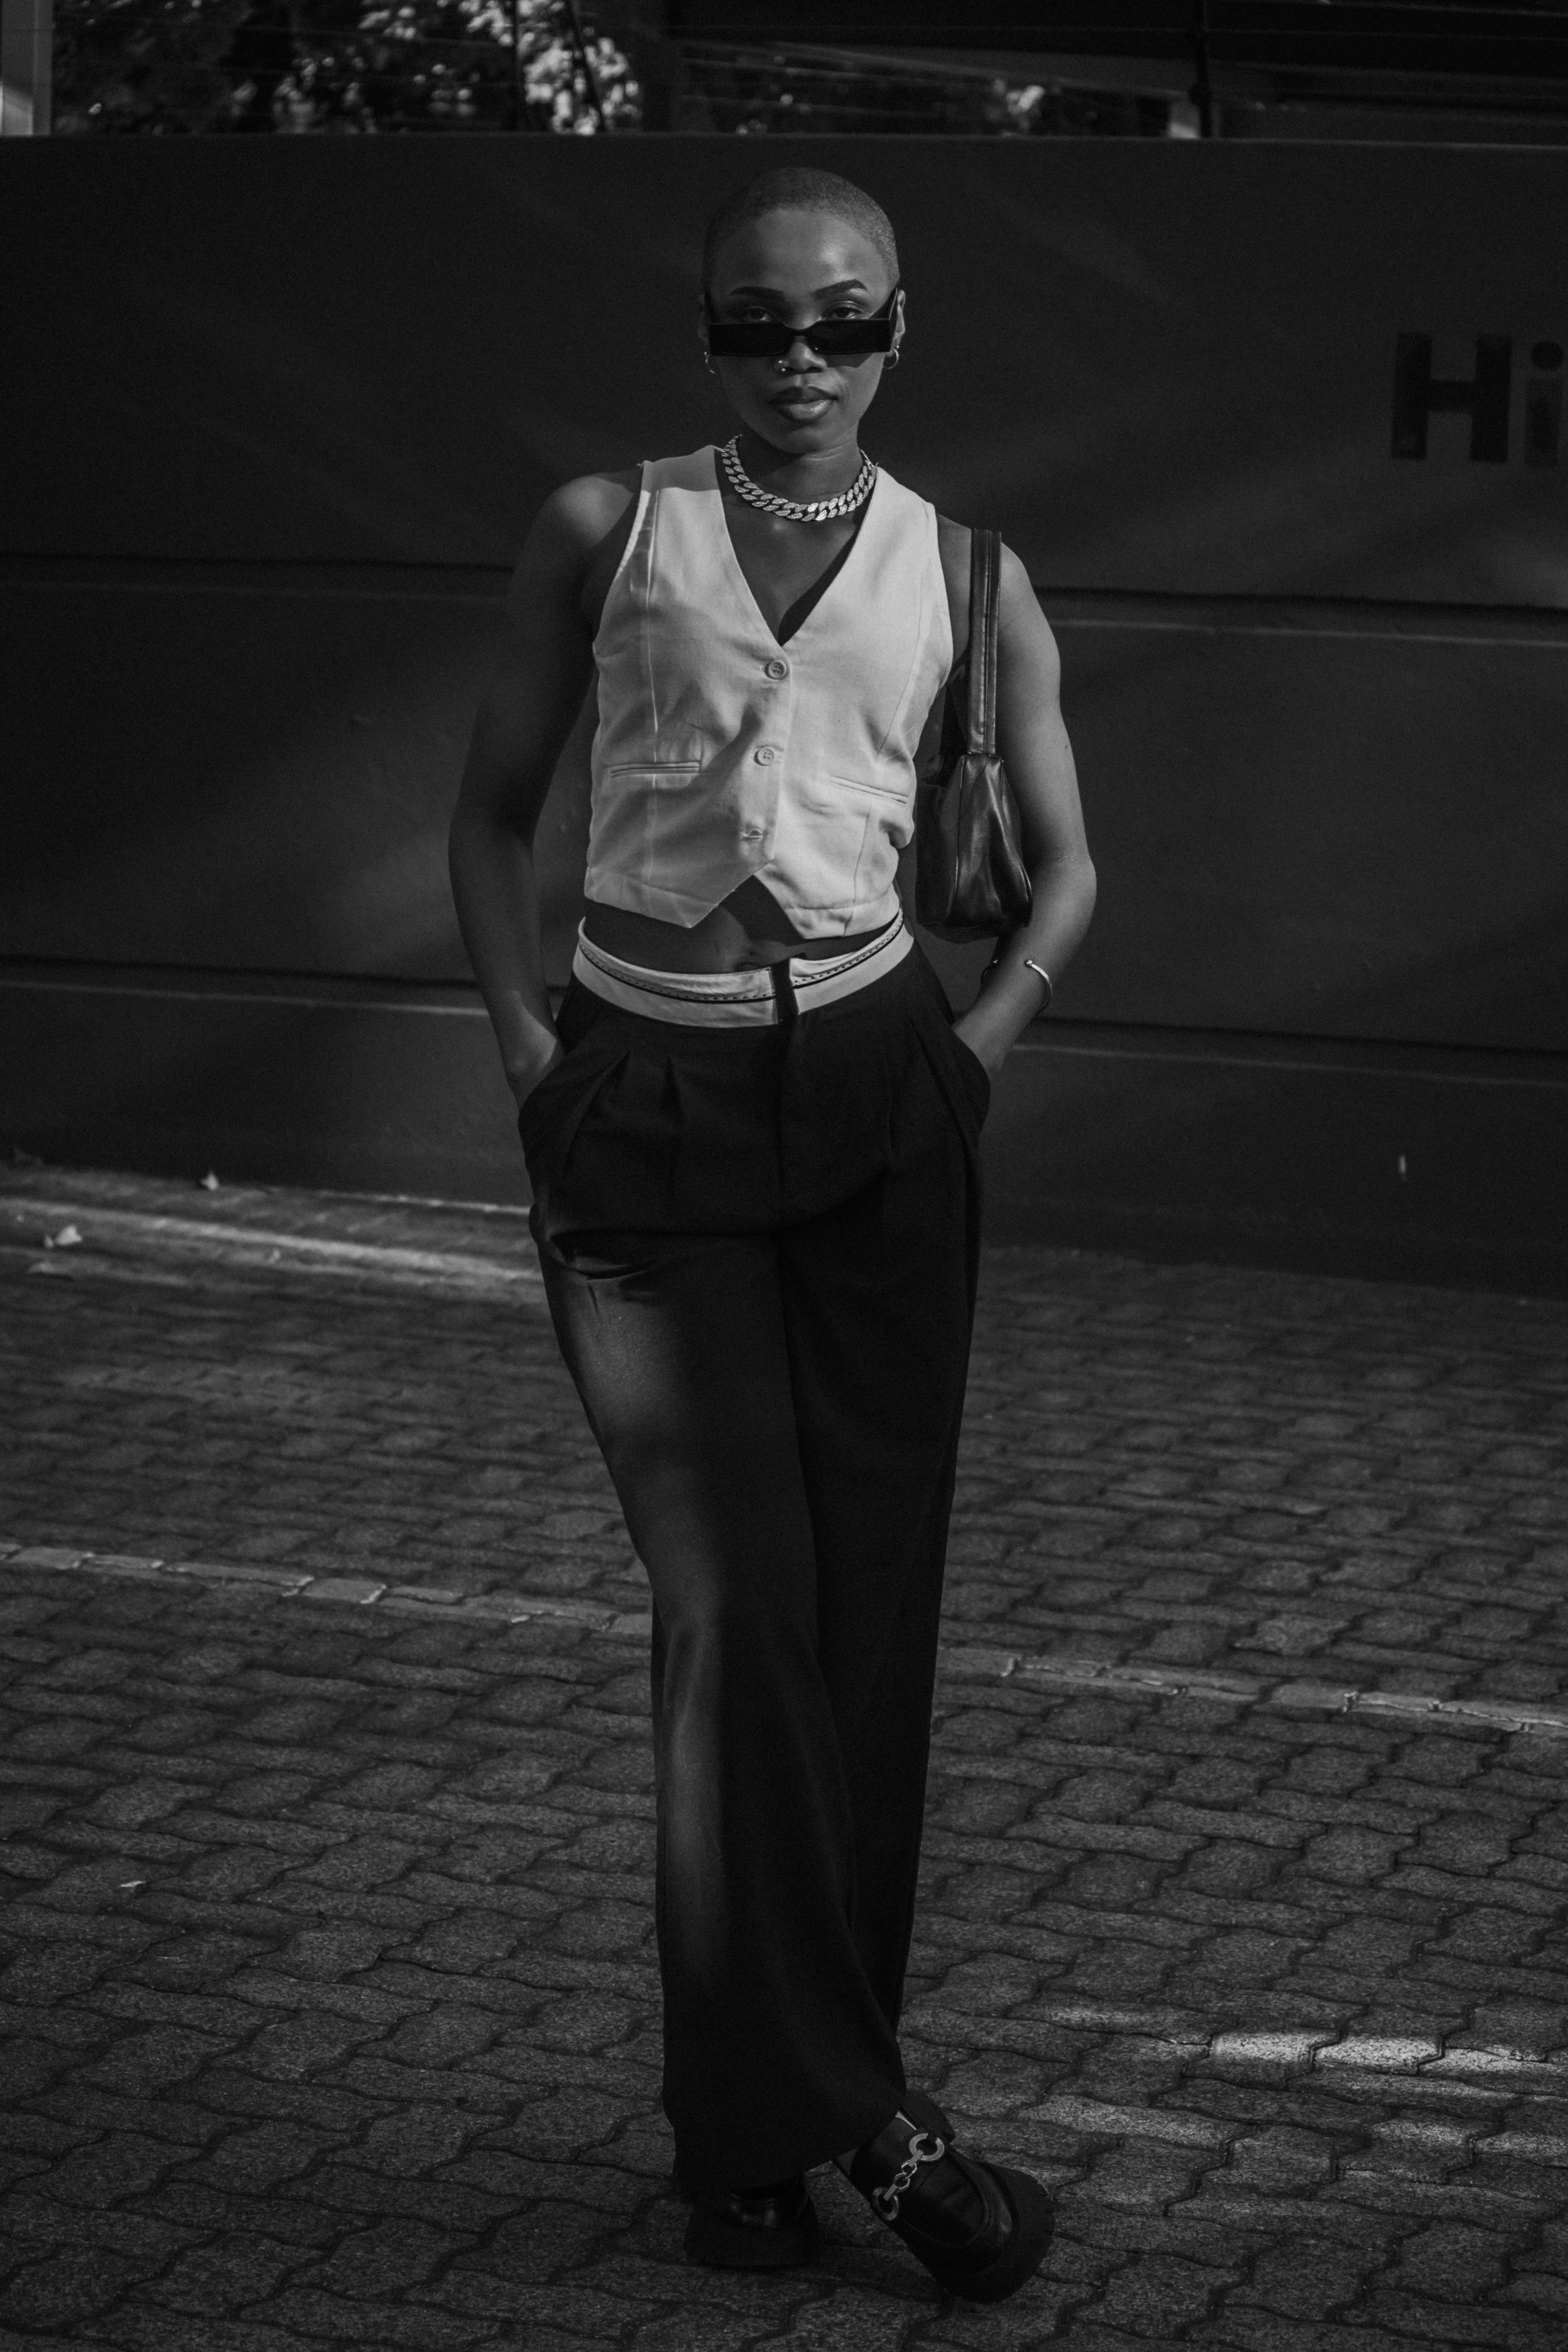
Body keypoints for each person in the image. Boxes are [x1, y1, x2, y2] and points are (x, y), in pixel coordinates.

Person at [448, 165, 1096, 2305]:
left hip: (887, 1104)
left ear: (902, 328)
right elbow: (493, 806)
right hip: (647, 1106)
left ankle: (743, 2149)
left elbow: (1072, 868)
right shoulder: (600, 529)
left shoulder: (971, 570)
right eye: (755, 325)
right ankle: (875, 2126)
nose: (797, 360)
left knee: (864, 1629)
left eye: (837, 322)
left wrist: (977, 1052)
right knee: (736, 1614)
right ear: (709, 336)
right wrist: (537, 1048)